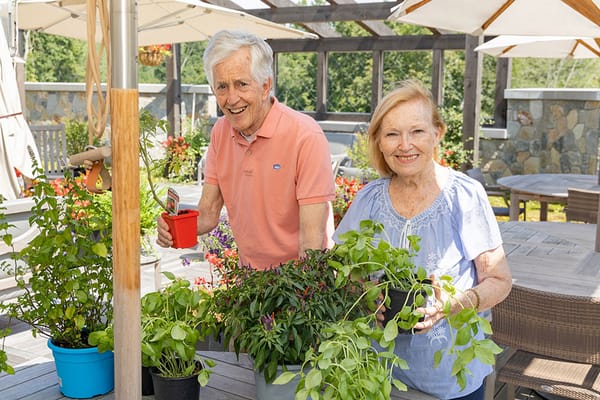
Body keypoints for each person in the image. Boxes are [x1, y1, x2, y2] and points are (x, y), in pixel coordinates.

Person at [334, 79, 512, 400]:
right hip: (376, 375)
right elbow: (341, 270)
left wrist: (456, 304)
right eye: (392, 134)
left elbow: (499, 280)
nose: (405, 145)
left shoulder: (464, 196)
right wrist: (365, 294)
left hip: (447, 379)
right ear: (379, 142)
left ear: (436, 134)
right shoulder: (368, 200)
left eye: (416, 131)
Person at [156, 30, 335, 270]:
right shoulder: (221, 132)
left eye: (241, 84)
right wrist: (173, 227)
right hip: (248, 281)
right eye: (222, 87)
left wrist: (300, 298)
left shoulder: (305, 136)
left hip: (298, 285)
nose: (231, 99)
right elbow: (208, 214)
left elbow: (311, 242)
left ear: (265, 86)